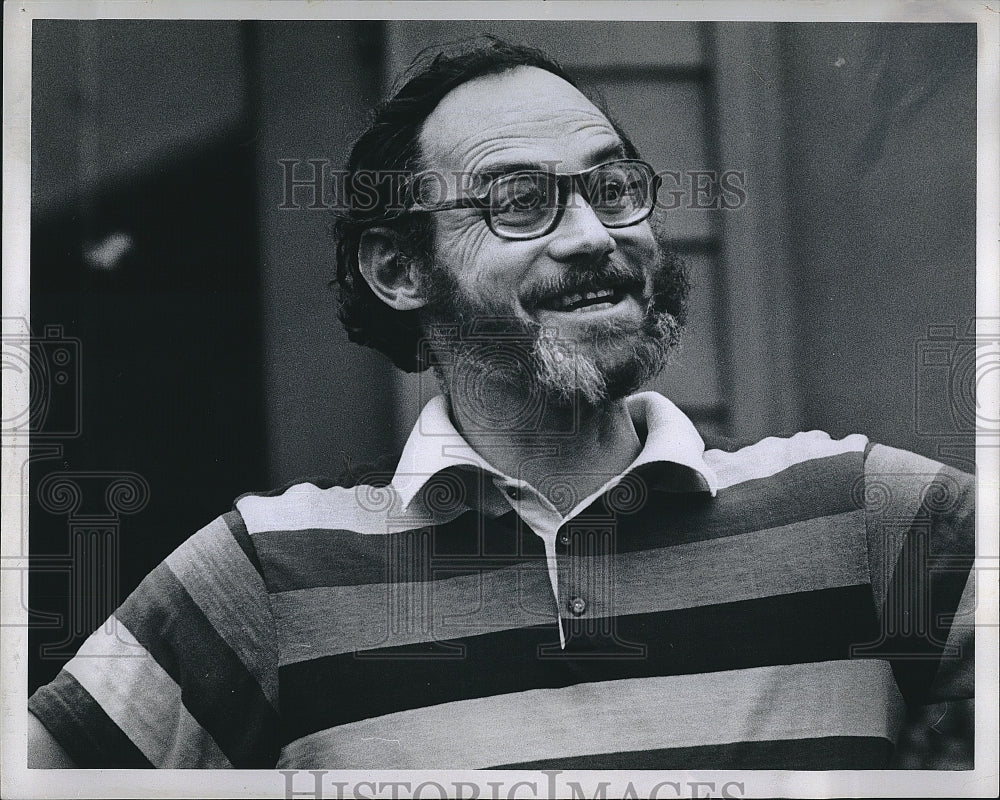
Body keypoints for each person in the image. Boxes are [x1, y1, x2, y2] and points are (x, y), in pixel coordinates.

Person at [28, 37, 974, 770]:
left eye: (613, 187)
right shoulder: (264, 578)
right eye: (521, 202)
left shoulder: (863, 517)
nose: (595, 236)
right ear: (400, 270)